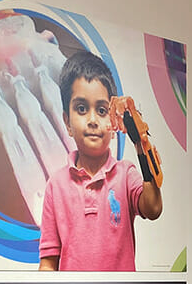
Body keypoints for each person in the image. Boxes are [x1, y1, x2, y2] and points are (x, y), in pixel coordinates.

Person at [37, 51, 163, 271]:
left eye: (102, 110)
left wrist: (139, 143)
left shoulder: (126, 174)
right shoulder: (55, 186)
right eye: (82, 109)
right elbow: (48, 262)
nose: (93, 120)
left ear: (114, 122)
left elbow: (153, 208)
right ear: (67, 122)